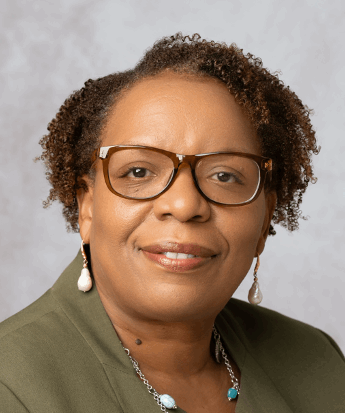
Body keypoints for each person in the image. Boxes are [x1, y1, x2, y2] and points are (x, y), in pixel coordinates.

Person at [0, 33, 344, 413]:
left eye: (225, 175)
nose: (183, 205)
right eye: (138, 170)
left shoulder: (321, 365)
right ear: (88, 207)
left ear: (263, 223)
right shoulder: (11, 385)